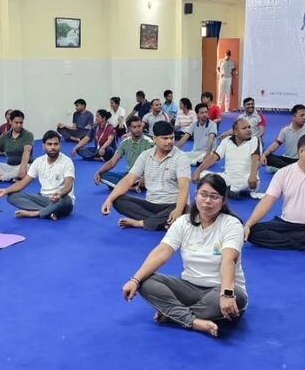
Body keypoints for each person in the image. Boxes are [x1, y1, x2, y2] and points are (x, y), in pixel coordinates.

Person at [121, 174, 247, 339]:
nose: (207, 201)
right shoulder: (183, 222)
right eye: (203, 194)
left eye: (214, 197)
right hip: (189, 288)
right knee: (146, 282)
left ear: (223, 201)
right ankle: (194, 321)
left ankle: (173, 315)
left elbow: (228, 260)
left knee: (238, 297)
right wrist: (135, 279)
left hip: (219, 290)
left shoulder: (232, 224)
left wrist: (227, 294)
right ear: (196, 195)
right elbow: (162, 251)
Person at [244, 134, 305, 254]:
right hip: (285, 224)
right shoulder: (284, 173)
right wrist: (248, 224)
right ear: (301, 151)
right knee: (252, 231)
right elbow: (268, 200)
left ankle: (283, 240)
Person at [101, 121, 189, 230]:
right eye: (165, 138)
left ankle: (141, 223)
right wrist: (109, 200)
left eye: (172, 138)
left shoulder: (181, 158)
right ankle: (164, 222)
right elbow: (128, 180)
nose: (170, 142)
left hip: (172, 204)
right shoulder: (145, 156)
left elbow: (184, 188)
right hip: (150, 205)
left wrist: (178, 211)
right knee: (117, 200)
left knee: (185, 208)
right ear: (155, 139)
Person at [0, 130, 75, 220]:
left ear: (60, 145)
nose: (53, 147)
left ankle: (36, 213)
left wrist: (60, 194)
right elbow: (23, 182)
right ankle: (49, 211)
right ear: (43, 146)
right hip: (43, 198)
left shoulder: (67, 162)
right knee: (11, 196)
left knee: (66, 200)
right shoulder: (38, 162)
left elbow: (68, 186)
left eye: (56, 144)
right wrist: (5, 191)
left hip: (60, 200)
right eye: (49, 144)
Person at [193, 117, 261, 199]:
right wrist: (198, 170)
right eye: (244, 128)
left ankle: (223, 190)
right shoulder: (226, 141)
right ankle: (229, 190)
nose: (248, 130)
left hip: (247, 179)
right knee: (203, 175)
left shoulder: (254, 140)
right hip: (229, 177)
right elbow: (214, 157)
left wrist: (253, 175)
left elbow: (255, 158)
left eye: (249, 127)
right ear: (235, 132)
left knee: (243, 182)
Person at [94, 117, 153, 188]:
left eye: (139, 126)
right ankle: (130, 187)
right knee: (103, 175)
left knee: (146, 179)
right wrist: (99, 172)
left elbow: (152, 165)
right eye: (134, 127)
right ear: (129, 129)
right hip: (130, 174)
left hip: (144, 176)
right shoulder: (125, 143)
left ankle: (122, 186)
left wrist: (144, 176)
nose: (138, 129)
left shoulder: (149, 143)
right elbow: (113, 161)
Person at [262, 104, 305, 171]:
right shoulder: (285, 130)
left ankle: (284, 170)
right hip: (286, 159)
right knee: (267, 155)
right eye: (302, 115)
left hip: (299, 160)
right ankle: (291, 170)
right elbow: (276, 144)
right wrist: (264, 155)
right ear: (294, 116)